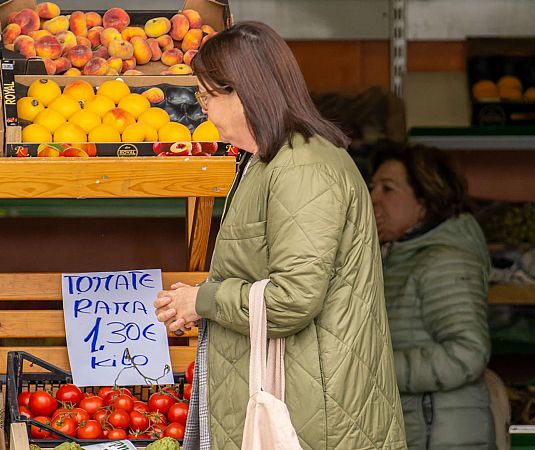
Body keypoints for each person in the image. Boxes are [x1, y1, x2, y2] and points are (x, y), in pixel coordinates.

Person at [154, 21, 407, 449]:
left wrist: (203, 299)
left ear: (242, 92)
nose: (204, 111)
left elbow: (292, 299)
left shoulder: (301, 168)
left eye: (207, 96)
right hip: (302, 404)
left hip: (313, 418)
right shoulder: (270, 161)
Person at [369, 143, 495, 450]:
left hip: (445, 437)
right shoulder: (402, 258)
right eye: (373, 188)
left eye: (388, 189)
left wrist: (378, 368)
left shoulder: (445, 261)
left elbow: (468, 352)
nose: (373, 199)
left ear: (425, 202)